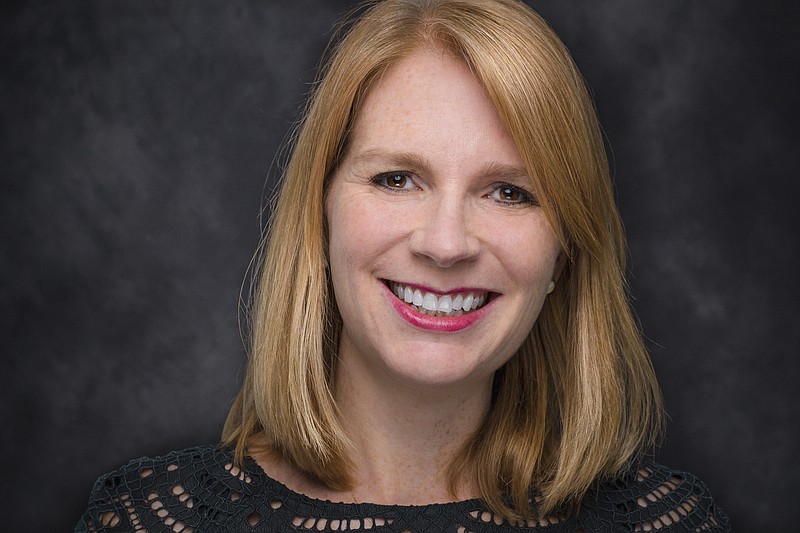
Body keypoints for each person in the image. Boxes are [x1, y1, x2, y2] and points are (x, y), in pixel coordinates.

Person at [76, 0, 730, 531]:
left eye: (509, 191)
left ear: (562, 249)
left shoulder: (666, 522)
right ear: (321, 214)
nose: (446, 244)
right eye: (396, 178)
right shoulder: (151, 519)